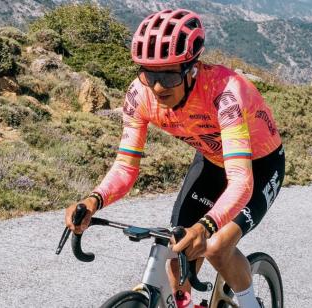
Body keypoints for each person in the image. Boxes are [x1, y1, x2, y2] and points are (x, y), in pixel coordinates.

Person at [65, 8, 285, 308]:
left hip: (259, 166)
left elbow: (241, 182)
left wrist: (206, 227)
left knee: (216, 247)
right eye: (149, 74)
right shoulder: (138, 95)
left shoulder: (226, 94)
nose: (157, 87)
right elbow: (126, 167)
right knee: (176, 250)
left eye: (168, 76)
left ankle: (250, 304)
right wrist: (94, 200)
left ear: (191, 69)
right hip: (212, 161)